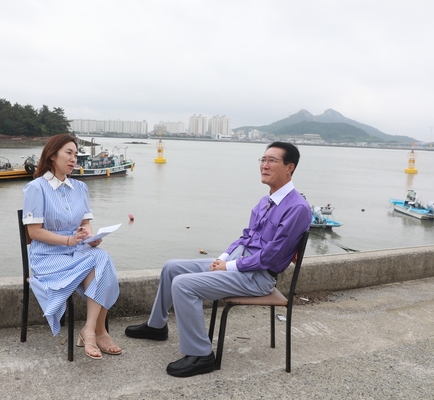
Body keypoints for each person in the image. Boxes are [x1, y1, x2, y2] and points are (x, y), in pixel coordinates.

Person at [125, 141, 312, 377]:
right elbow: (246, 236)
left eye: (272, 160)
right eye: (262, 160)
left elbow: (271, 256)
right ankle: (156, 326)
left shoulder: (297, 208)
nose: (264, 165)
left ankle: (201, 355)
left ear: (289, 167)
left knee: (184, 285)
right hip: (238, 264)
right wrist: (222, 259)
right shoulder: (265, 201)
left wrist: (228, 266)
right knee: (172, 267)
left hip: (257, 277)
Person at [22, 134, 121, 360]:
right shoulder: (36, 188)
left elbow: (84, 223)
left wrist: (91, 237)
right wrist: (68, 240)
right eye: (69, 153)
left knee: (101, 256)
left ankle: (91, 329)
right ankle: (98, 331)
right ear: (52, 155)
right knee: (102, 262)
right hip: (47, 255)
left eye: (76, 154)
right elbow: (33, 232)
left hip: (77, 250)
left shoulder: (80, 188)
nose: (74, 158)